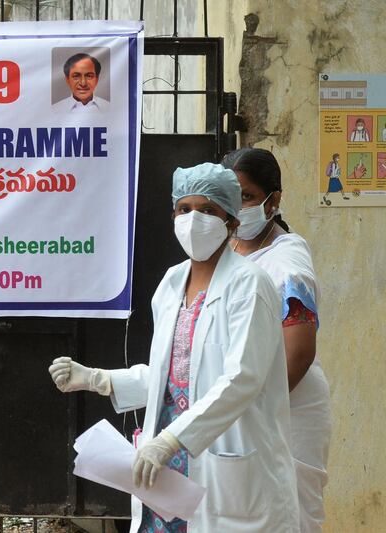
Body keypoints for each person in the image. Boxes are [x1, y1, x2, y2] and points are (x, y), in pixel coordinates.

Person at [49, 163, 299, 532]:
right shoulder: (171, 283)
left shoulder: (250, 285)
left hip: (222, 464)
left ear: (231, 221)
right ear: (173, 215)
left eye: (208, 209)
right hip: (166, 470)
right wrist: (101, 380)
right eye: (185, 209)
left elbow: (242, 379)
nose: (194, 219)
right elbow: (179, 377)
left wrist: (171, 439)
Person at [223, 148, 331, 533]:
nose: (238, 207)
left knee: (291, 518)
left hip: (289, 409)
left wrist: (249, 408)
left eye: (248, 196)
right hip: (241, 408)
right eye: (230, 196)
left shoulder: (286, 260)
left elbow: (298, 350)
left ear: (274, 200)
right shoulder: (226, 253)